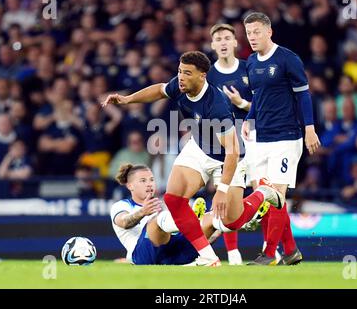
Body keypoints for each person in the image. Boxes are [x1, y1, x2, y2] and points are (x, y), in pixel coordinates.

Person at [103, 51, 284, 266]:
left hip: (228, 157)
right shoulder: (181, 86)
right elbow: (159, 90)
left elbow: (232, 151)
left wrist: (222, 190)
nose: (181, 77)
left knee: (231, 221)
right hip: (199, 148)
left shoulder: (216, 106)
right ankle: (208, 256)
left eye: (187, 73)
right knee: (173, 198)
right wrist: (127, 99)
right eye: (179, 71)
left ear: (202, 76)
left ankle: (263, 193)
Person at [242, 12, 321, 265]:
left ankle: (268, 254)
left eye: (256, 32)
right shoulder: (251, 62)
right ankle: (290, 250)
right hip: (259, 138)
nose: (252, 37)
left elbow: (303, 95)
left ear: (269, 32)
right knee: (264, 198)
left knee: (276, 194)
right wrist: (249, 118)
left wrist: (309, 128)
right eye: (248, 33)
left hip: (286, 137)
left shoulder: (288, 59)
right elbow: (258, 96)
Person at [111, 163, 280, 265]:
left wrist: (216, 230)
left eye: (151, 180)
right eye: (143, 181)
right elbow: (124, 222)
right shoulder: (121, 205)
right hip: (144, 256)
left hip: (177, 254)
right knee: (156, 221)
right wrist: (142, 212)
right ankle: (192, 219)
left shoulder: (163, 203)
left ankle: (248, 216)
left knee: (214, 217)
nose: (149, 184)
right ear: (130, 186)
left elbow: (206, 239)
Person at [206, 23, 255, 266]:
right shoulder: (208, 75)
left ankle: (272, 249)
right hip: (223, 142)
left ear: (235, 42)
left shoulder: (250, 68)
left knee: (261, 191)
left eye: (227, 38)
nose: (223, 42)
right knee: (226, 192)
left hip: (254, 137)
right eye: (218, 39)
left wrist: (241, 103)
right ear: (212, 45)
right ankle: (233, 252)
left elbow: (265, 104)